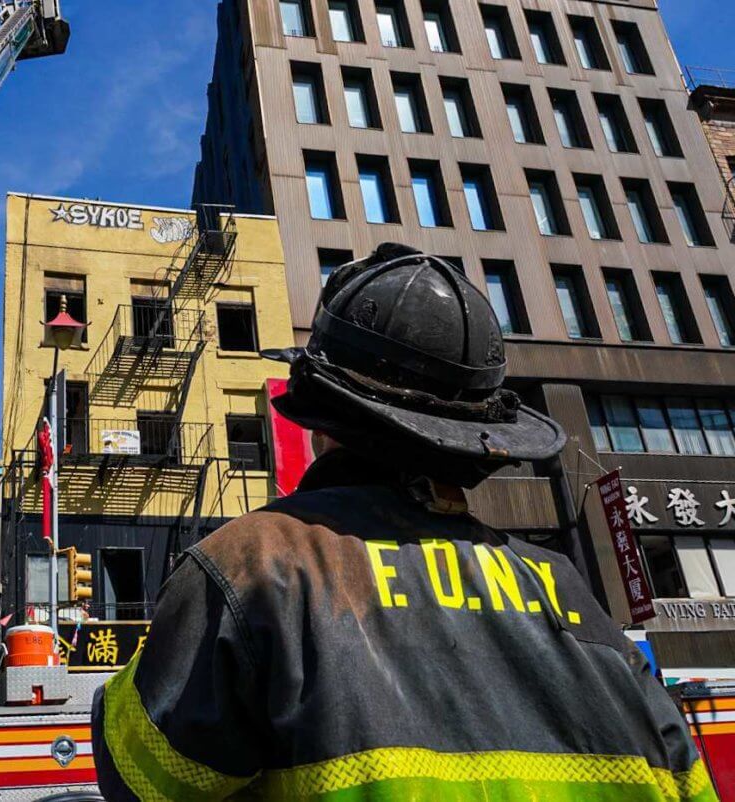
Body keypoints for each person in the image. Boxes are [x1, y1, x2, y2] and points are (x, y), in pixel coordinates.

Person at [92, 244, 715, 801]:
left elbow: (148, 778)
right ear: (478, 441)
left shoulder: (252, 564)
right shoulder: (568, 589)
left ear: (321, 423)